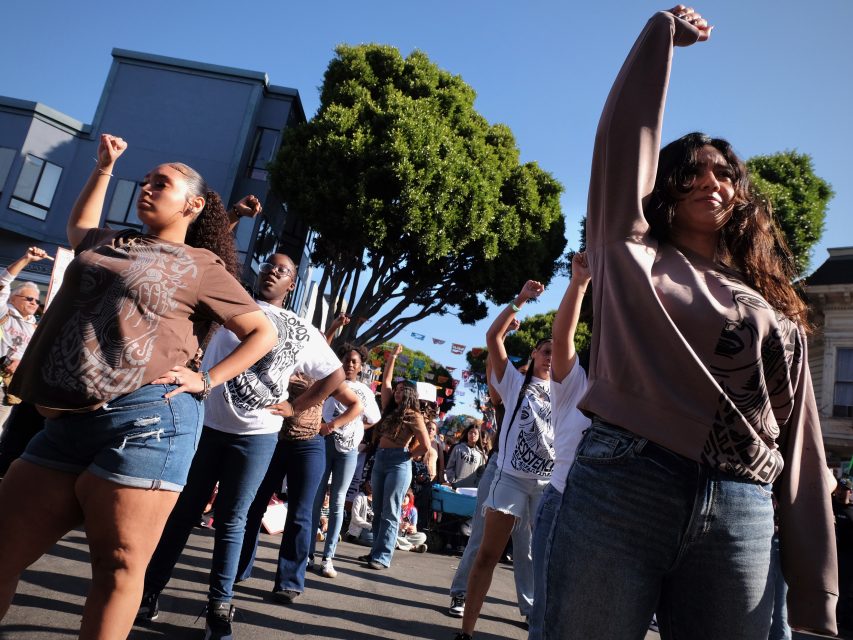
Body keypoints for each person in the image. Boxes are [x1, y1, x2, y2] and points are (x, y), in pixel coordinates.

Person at [542, 7, 838, 639]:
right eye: (695, 170)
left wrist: (817, 580)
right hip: (624, 481)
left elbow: (799, 430)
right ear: (667, 186)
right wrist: (659, 42)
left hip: (743, 503)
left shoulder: (772, 298)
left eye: (726, 173)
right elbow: (622, 140)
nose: (713, 182)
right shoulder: (632, 253)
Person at [0, 133, 278, 640]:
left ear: (192, 204)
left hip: (146, 423)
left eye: (161, 183)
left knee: (118, 567)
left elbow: (263, 332)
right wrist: (104, 167)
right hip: (62, 419)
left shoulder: (201, 266)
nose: (147, 188)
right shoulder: (109, 241)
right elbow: (79, 227)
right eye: (145, 181)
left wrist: (207, 378)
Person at [139, 251, 349, 639]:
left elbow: (334, 374)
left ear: (292, 284)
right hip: (206, 427)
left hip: (256, 437)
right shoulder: (230, 303)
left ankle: (220, 604)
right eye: (268, 264)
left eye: (282, 270)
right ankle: (149, 592)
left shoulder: (301, 328)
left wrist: (295, 406)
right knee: (183, 512)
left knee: (233, 520)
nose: (272, 271)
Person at [454, 280, 554, 640]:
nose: (551, 357)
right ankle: (466, 631)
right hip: (510, 479)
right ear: (532, 358)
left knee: (541, 564)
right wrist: (520, 301)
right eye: (545, 351)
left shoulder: (570, 389)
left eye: (559, 352)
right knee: (487, 554)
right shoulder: (514, 383)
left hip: (548, 487)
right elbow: (493, 337)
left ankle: (538, 629)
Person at [235, 364, 361, 606]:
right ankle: (237, 568)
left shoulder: (324, 372)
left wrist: (330, 426)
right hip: (271, 440)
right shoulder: (282, 360)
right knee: (253, 506)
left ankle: (289, 582)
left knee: (300, 514)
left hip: (309, 444)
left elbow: (357, 405)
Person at [527, 251, 591, 640]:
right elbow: (563, 334)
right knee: (548, 612)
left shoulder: (641, 396)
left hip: (616, 513)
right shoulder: (575, 383)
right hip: (563, 502)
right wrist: (579, 282)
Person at [309, 342, 381, 579]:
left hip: (349, 450)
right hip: (324, 442)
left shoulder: (366, 392)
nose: (349, 364)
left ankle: (328, 558)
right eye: (346, 359)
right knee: (316, 498)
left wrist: (356, 428)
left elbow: (373, 418)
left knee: (338, 501)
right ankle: (308, 554)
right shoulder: (331, 381)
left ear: (361, 367)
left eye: (354, 361)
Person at [360, 382, 431, 570]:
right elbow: (386, 385)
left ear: (409, 394)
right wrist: (392, 358)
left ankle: (383, 557)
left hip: (399, 463)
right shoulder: (391, 410)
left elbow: (425, 445)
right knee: (377, 509)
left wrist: (408, 455)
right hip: (380, 459)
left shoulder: (413, 415)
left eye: (401, 391)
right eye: (396, 390)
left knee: (390, 510)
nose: (397, 393)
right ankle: (375, 551)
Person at [0, 247, 50, 432]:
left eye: (37, 301)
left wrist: (21, 363)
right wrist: (26, 259)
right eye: (29, 298)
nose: (34, 303)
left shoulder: (35, 327)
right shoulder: (4, 312)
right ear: (13, 298)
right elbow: (3, 281)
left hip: (8, 387)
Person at [444, 424, 486, 488]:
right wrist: (453, 481)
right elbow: (450, 466)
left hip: (471, 489)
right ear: (467, 434)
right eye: (470, 432)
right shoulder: (458, 448)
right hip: (456, 487)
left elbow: (481, 473)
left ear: (478, 436)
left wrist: (477, 485)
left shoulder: (480, 454)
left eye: (475, 433)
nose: (472, 435)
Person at [396, 488, 427, 553]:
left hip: (406, 535)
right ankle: (413, 547)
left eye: (406, 496)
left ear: (409, 498)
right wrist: (399, 526)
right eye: (402, 496)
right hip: (395, 533)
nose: (403, 498)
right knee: (391, 537)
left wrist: (410, 528)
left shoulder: (413, 510)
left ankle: (402, 544)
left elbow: (414, 530)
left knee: (423, 536)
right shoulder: (394, 507)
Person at [346, 481, 374, 546]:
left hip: (373, 529)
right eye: (369, 483)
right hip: (361, 529)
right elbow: (355, 518)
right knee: (380, 542)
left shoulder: (378, 499)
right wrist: (370, 527)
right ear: (365, 484)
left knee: (386, 538)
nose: (371, 486)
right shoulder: (359, 498)